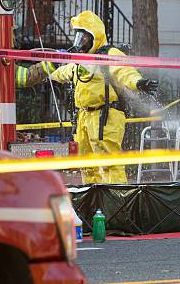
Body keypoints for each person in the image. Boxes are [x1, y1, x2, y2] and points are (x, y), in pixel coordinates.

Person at [41, 10, 158, 184]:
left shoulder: (108, 54)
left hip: (105, 116)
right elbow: (65, 72)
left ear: (94, 36)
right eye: (78, 37)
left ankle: (116, 201)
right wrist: (44, 74)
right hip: (84, 117)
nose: (80, 42)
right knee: (87, 164)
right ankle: (93, 201)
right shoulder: (80, 60)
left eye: (84, 37)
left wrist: (138, 82)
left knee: (110, 163)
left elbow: (124, 71)